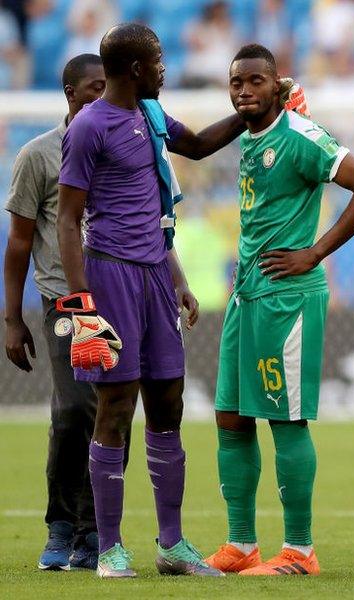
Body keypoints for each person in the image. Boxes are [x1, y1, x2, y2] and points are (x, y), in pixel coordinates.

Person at [56, 23, 267, 578]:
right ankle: (108, 548)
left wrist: (254, 112)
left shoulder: (148, 115)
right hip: (110, 276)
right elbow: (69, 217)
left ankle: (171, 545)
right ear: (136, 70)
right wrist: (82, 308)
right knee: (117, 404)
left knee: (168, 402)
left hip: (154, 275)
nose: (165, 70)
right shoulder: (88, 127)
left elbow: (195, 146)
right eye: (159, 63)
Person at [204, 43, 354, 577]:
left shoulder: (303, 136)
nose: (244, 90)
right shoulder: (249, 136)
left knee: (285, 419)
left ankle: (300, 552)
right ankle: (241, 544)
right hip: (248, 294)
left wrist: (314, 252)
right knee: (231, 416)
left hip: (289, 297)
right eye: (236, 82)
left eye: (255, 81)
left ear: (276, 83)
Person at [4, 54, 187, 573]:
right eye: (93, 87)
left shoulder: (131, 131)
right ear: (69, 93)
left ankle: (95, 535)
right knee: (75, 410)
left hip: (128, 286)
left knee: (118, 406)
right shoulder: (38, 155)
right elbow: (19, 242)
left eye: (107, 85)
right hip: (68, 297)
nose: (103, 93)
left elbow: (147, 216)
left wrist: (176, 276)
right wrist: (12, 318)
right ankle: (63, 527)